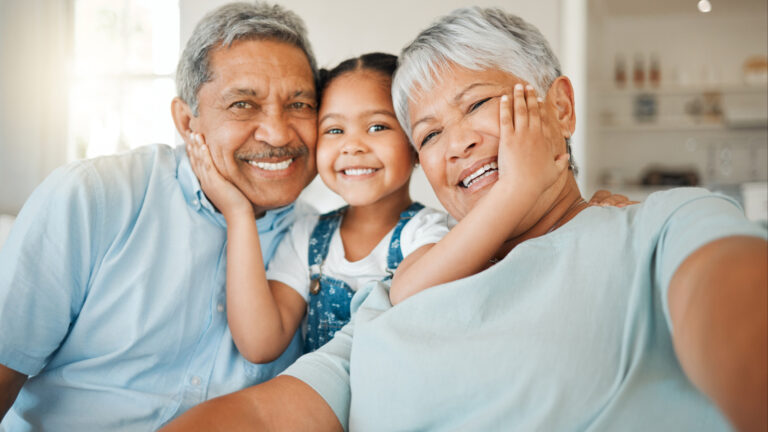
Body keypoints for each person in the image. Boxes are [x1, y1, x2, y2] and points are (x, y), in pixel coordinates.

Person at [162, 6, 768, 432]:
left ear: (559, 107)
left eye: (476, 104)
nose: (454, 146)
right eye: (428, 134)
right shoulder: (394, 292)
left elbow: (735, 303)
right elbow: (268, 414)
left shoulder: (661, 227)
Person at [0, 3, 320, 430]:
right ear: (188, 122)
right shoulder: (91, 197)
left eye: (300, 104)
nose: (279, 133)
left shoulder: (321, 239)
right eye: (244, 104)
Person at [184, 52, 451, 362]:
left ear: (416, 140)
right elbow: (260, 344)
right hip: (321, 407)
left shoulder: (430, 233)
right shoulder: (308, 236)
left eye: (377, 127)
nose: (353, 146)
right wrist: (238, 214)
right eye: (334, 130)